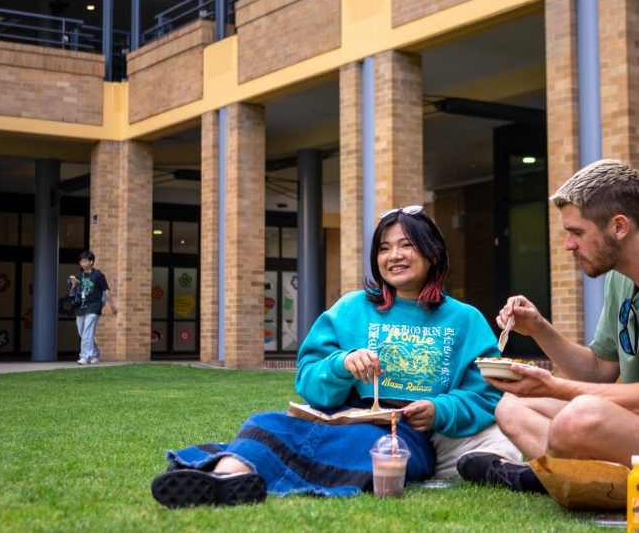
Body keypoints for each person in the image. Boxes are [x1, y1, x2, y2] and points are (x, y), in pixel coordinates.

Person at [150, 205, 518, 509]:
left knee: (361, 446)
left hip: (401, 432)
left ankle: (239, 476)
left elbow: (487, 391)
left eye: (406, 245)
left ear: (433, 253)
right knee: (266, 422)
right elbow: (308, 376)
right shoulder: (351, 308)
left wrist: (441, 410)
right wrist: (343, 365)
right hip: (339, 414)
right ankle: (224, 476)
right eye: (384, 248)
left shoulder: (464, 319)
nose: (394, 256)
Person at [457, 159, 639, 493]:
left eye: (577, 233)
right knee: (511, 406)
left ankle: (541, 477)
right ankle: (590, 481)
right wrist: (539, 328)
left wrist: (553, 386)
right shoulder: (619, 280)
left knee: (581, 416)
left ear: (619, 226)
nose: (568, 245)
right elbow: (599, 372)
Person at [68, 250, 117, 365]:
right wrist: (74, 284)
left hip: (94, 307)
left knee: (87, 332)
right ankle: (95, 353)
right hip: (80, 307)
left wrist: (112, 306)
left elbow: (106, 290)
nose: (82, 263)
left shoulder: (98, 275)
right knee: (82, 332)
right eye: (81, 261)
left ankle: (85, 357)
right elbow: (72, 295)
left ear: (91, 262)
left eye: (85, 261)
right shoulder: (78, 276)